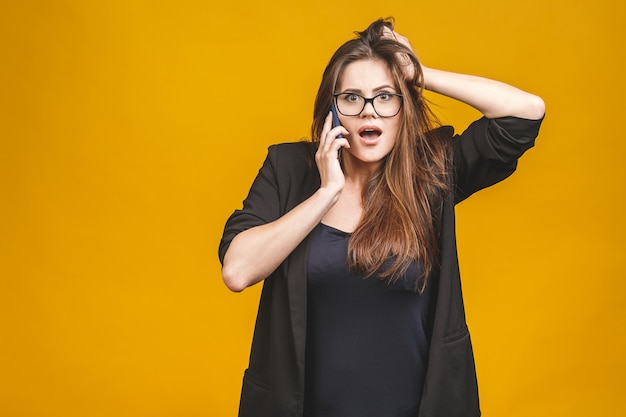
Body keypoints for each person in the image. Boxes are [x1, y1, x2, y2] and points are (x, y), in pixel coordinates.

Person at [218, 17, 545, 417]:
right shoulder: (288, 168)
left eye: (386, 96)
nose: (369, 111)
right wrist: (326, 193)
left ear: (404, 107)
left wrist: (415, 72)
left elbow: (526, 112)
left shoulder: (429, 172)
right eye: (351, 98)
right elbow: (237, 271)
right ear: (331, 112)